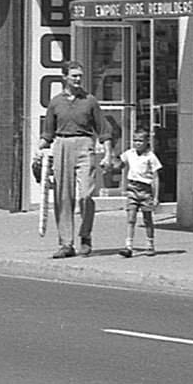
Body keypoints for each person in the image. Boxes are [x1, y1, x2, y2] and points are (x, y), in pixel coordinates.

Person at [33, 63, 117, 258]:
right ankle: (66, 243)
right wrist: (39, 151)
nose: (78, 79)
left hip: (85, 144)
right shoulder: (55, 102)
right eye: (74, 76)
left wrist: (108, 154)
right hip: (62, 145)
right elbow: (48, 133)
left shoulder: (90, 101)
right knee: (63, 196)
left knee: (86, 194)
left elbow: (103, 130)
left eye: (80, 76)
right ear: (65, 77)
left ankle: (85, 236)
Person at [118, 127, 162, 258]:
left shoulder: (150, 157)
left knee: (147, 219)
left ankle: (150, 244)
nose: (137, 143)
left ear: (146, 141)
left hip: (145, 189)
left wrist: (156, 196)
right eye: (135, 140)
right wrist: (110, 165)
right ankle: (128, 246)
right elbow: (120, 163)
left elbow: (155, 177)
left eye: (140, 141)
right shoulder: (129, 153)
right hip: (132, 188)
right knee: (131, 218)